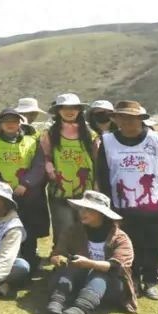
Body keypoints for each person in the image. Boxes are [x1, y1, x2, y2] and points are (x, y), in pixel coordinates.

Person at [95, 100, 158, 301]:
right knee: (127, 243)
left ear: (141, 119)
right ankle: (132, 279)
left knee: (153, 243)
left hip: (152, 204)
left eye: (132, 118)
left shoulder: (156, 140)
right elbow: (103, 174)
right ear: (115, 119)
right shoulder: (107, 141)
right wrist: (106, 203)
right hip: (120, 205)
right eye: (122, 117)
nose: (127, 121)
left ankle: (151, 281)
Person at [46, 190, 137, 314]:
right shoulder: (73, 231)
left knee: (99, 273)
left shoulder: (120, 238)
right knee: (72, 268)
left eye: (88, 209)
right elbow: (57, 253)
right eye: (81, 208)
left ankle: (81, 310)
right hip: (80, 281)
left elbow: (117, 266)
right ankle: (57, 302)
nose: (82, 212)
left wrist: (89, 263)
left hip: (111, 287)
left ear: (101, 213)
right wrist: (57, 258)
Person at [0, 108, 48, 269]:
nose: (10, 124)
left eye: (14, 121)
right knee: (2, 230)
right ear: (0, 124)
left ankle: (29, 265)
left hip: (26, 195)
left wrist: (26, 184)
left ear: (19, 123)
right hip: (1, 197)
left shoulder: (31, 142)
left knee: (28, 230)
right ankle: (0, 264)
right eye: (6, 121)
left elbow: (39, 166)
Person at [38, 93, 97, 245]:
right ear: (58, 111)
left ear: (79, 110)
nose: (69, 111)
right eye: (65, 108)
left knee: (85, 228)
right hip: (59, 190)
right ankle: (61, 255)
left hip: (85, 191)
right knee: (63, 228)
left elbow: (96, 159)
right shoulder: (50, 134)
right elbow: (45, 156)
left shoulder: (89, 134)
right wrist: (49, 168)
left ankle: (84, 256)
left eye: (73, 108)